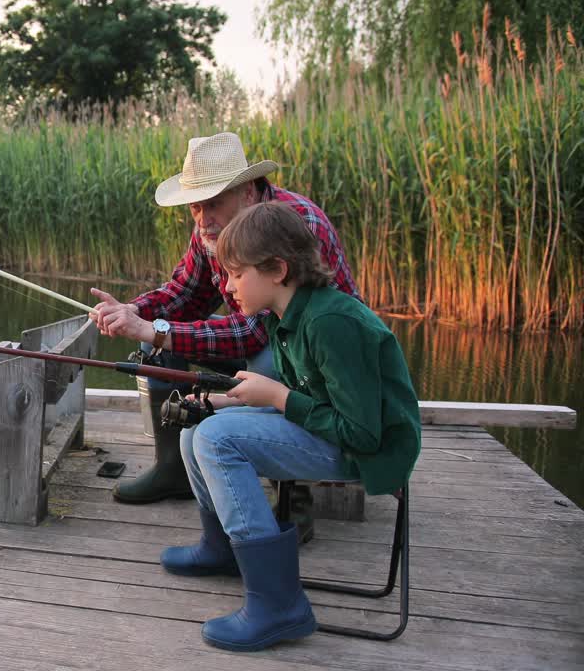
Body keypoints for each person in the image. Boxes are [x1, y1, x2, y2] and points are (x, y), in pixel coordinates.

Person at [160, 201, 421, 651]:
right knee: (196, 427)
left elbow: (362, 432)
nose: (227, 286)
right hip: (332, 430)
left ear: (277, 269)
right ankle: (222, 547)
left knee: (218, 440)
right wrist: (216, 401)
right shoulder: (287, 318)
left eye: (237, 275)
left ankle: (279, 604)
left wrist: (277, 397)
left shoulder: (331, 322)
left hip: (368, 452)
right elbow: (303, 395)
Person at [90, 132, 361, 541]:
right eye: (195, 206)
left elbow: (254, 333)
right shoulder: (213, 231)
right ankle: (175, 470)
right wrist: (133, 311)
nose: (202, 218)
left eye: (212, 203)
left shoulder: (293, 226)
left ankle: (294, 495)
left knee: (267, 361)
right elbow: (182, 293)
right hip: (262, 344)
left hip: (318, 369)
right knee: (154, 343)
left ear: (248, 193)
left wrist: (156, 329)